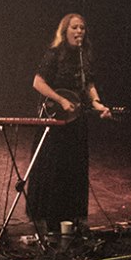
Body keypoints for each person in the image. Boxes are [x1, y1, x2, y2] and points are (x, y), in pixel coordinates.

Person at [25, 14, 116, 231]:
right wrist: (61, 100)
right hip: (55, 118)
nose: (79, 32)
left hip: (76, 119)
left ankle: (70, 215)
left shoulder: (84, 57)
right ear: (65, 31)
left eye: (82, 28)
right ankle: (49, 217)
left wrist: (97, 104)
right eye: (75, 28)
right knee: (53, 167)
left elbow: (89, 85)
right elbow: (38, 82)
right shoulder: (54, 54)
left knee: (73, 168)